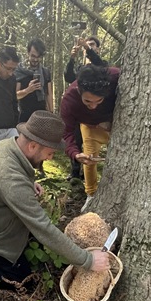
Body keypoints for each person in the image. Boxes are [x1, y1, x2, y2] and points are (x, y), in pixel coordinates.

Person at [0, 110, 111, 289]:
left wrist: (29, 182)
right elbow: (42, 228)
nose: (50, 158)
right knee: (23, 283)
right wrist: (87, 260)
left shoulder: (7, 145)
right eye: (49, 153)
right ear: (33, 146)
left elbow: (14, 174)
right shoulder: (11, 181)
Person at [60, 65, 120, 212]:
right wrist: (75, 153)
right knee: (90, 158)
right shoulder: (69, 101)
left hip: (118, 126)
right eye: (87, 101)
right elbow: (66, 134)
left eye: (98, 101)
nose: (93, 106)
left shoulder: (115, 76)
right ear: (79, 91)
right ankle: (91, 194)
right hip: (90, 128)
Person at [64, 36, 108, 181]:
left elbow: (100, 64)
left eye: (92, 45)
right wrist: (72, 57)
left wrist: (87, 49)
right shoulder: (80, 69)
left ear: (97, 48)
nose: (89, 46)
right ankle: (75, 172)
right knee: (77, 140)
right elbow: (69, 77)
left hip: (102, 120)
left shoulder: (103, 69)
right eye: (88, 45)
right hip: (80, 115)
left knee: (93, 149)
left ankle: (87, 176)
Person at [15, 38, 53, 122]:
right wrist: (28, 90)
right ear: (28, 53)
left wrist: (51, 113)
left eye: (38, 57)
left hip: (42, 116)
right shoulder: (19, 71)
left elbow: (49, 94)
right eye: (33, 56)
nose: (35, 59)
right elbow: (15, 95)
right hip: (24, 116)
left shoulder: (45, 72)